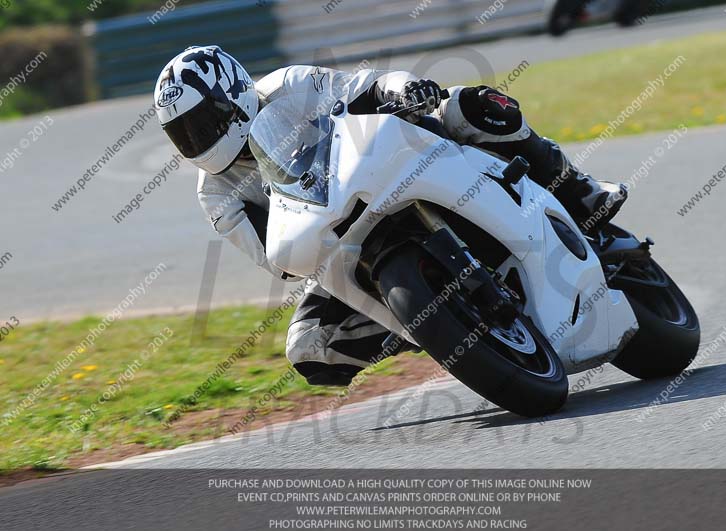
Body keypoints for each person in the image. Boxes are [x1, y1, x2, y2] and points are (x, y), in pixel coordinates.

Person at [154, 45, 627, 386]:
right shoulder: (214, 194)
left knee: (471, 106)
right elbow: (276, 261)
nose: (196, 140)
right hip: (337, 242)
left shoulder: (287, 86)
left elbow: (366, 86)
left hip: (386, 163)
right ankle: (427, 326)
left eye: (200, 123)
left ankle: (579, 189)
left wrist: (406, 89)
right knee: (307, 348)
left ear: (232, 96)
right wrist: (427, 318)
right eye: (183, 134)